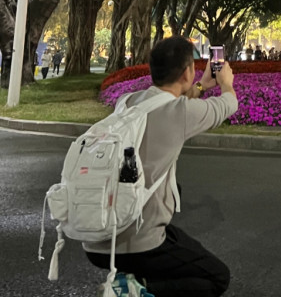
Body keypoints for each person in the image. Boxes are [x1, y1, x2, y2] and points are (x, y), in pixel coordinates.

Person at [84, 35, 238, 296]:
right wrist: (225, 83)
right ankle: (133, 290)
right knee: (217, 277)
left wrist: (201, 85)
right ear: (187, 72)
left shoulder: (127, 101)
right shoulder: (182, 113)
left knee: (175, 194)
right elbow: (229, 103)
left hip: (96, 236)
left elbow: (169, 102)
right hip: (136, 242)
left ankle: (132, 279)